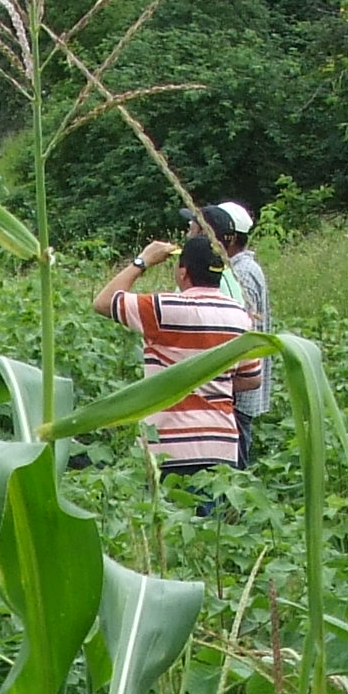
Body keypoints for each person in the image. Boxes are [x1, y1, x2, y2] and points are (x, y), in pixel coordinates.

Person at [93, 227, 255, 483]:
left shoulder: (163, 308)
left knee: (171, 519)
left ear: (183, 272)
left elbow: (103, 302)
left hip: (169, 444)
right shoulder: (240, 316)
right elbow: (251, 379)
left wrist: (142, 261)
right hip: (221, 444)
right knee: (210, 521)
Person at [208, 199, 272, 436]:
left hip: (237, 394)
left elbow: (238, 329)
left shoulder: (240, 273)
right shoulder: (245, 268)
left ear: (230, 238)